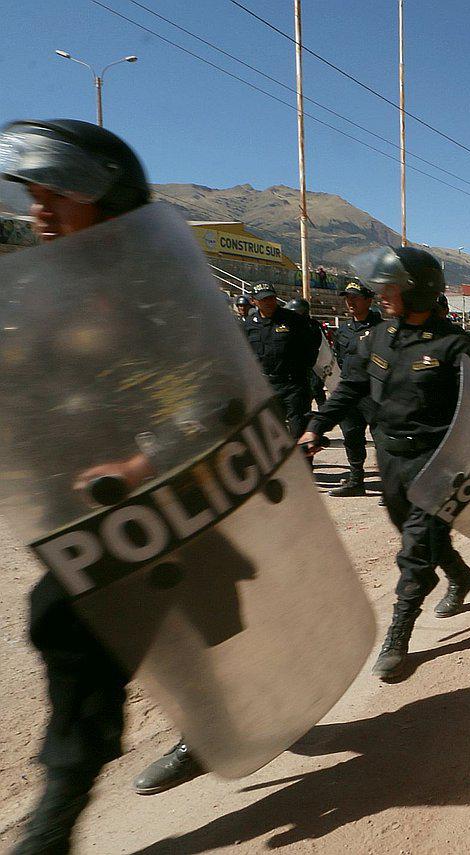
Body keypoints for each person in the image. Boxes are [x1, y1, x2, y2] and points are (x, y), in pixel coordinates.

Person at [0, 118, 176, 851]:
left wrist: (141, 463)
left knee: (72, 630)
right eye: (34, 193)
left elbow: (208, 401)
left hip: (154, 509)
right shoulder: (38, 295)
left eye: (58, 194)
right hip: (64, 507)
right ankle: (215, 722)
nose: (39, 208)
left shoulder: (154, 300)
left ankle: (56, 818)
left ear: (110, 207)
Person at [297, 246, 470, 679]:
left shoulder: (456, 346)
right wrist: (317, 426)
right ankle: (459, 575)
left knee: (415, 548)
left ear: (416, 290)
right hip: (391, 458)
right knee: (415, 533)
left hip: (436, 463)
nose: (380, 292)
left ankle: (399, 635)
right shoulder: (378, 337)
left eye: (390, 286)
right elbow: (350, 387)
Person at [243, 284, 322, 440]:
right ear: (254, 301)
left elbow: (311, 347)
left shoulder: (293, 320)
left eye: (271, 298)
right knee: (272, 434)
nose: (269, 302)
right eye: (264, 299)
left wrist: (302, 371)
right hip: (266, 386)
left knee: (298, 430)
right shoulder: (249, 325)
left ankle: (305, 463)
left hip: (294, 385)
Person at [328, 281, 383, 497]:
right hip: (351, 393)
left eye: (355, 297)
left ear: (368, 300)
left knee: (381, 439)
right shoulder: (343, 330)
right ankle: (356, 480)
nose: (350, 301)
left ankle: (390, 486)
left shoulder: (381, 328)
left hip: (374, 393)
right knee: (351, 437)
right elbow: (340, 359)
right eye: (347, 297)